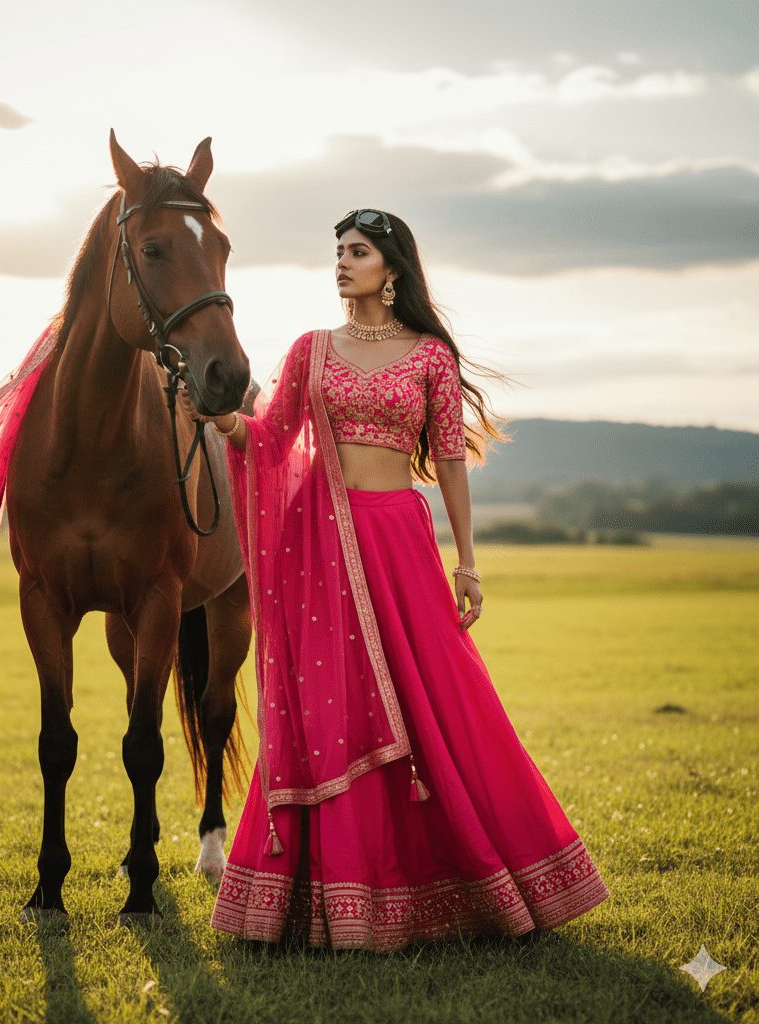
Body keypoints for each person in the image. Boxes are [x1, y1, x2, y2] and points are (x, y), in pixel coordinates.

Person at [177, 208, 610, 952]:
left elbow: (446, 462)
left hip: (400, 543)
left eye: (359, 252)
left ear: (393, 268)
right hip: (322, 548)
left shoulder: (430, 357)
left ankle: (488, 873)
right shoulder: (310, 350)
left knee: (443, 698)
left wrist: (466, 560)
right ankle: (334, 895)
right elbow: (273, 437)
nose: (342, 262)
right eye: (338, 251)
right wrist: (222, 424)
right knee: (332, 702)